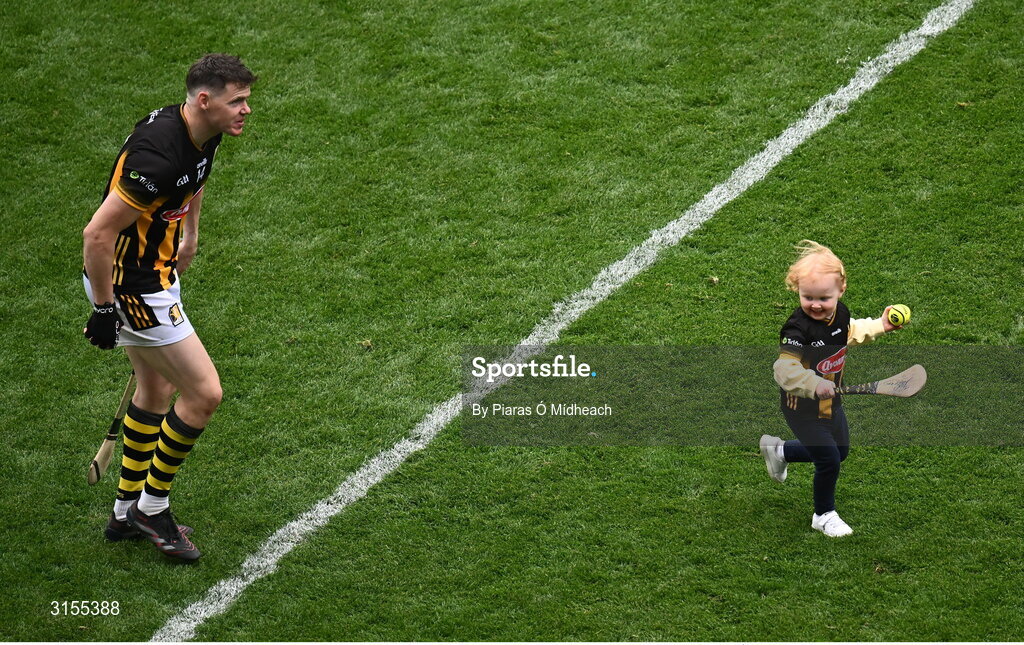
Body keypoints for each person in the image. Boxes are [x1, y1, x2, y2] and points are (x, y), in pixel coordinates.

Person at [82, 54, 256, 561]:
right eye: (237, 101)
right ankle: (151, 507)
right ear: (205, 100)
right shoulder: (158, 156)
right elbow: (97, 233)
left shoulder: (202, 129)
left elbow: (196, 177)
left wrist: (190, 233)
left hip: (155, 274)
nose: (246, 110)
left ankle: (122, 515)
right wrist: (103, 308)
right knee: (204, 394)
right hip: (132, 287)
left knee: (156, 389)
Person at [759, 240, 904, 537]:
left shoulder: (839, 315)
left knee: (840, 452)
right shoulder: (797, 330)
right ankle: (824, 514)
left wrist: (880, 325)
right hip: (802, 408)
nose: (814, 304)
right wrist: (813, 384)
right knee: (828, 460)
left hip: (831, 403)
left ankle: (779, 450)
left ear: (841, 290)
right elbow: (784, 370)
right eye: (807, 296)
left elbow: (850, 332)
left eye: (823, 297)